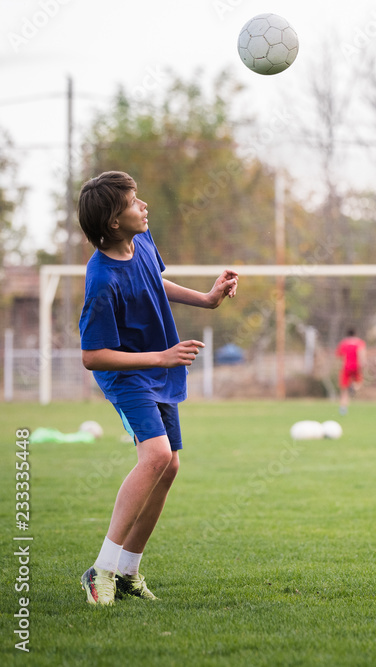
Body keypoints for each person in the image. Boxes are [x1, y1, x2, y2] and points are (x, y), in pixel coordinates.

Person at [77, 171, 239, 606]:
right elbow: (93, 356)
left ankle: (128, 570)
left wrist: (207, 299)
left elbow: (153, 282)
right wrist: (161, 357)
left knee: (169, 468)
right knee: (157, 456)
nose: (144, 206)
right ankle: (101, 570)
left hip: (157, 372)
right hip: (128, 376)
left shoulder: (143, 241)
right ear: (114, 221)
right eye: (134, 202)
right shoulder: (101, 281)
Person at [336, 328, 367, 415]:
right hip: (356, 367)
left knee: (344, 390)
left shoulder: (343, 343)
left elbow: (339, 356)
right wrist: (363, 364)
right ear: (355, 334)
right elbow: (361, 354)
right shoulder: (360, 342)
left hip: (345, 367)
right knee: (358, 384)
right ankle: (353, 387)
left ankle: (343, 409)